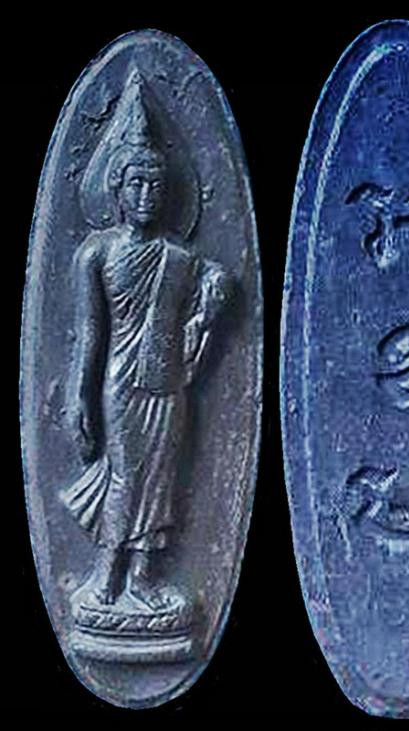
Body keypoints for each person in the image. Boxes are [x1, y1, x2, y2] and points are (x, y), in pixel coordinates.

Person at [61, 71, 230, 612]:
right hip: (121, 383)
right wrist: (78, 397)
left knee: (160, 484)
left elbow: (211, 296)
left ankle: (143, 578)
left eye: (156, 186)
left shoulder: (180, 258)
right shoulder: (96, 253)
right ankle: (106, 574)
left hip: (168, 381)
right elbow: (90, 334)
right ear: (116, 189)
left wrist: (210, 303)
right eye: (136, 183)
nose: (146, 195)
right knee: (126, 476)